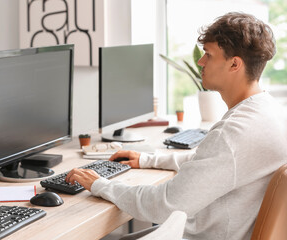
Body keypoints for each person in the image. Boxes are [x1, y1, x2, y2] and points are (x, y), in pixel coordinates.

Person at [66, 12, 287, 240]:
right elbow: (212, 161)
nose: (201, 62)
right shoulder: (269, 111)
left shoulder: (235, 132)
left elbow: (165, 205)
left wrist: (100, 185)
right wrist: (148, 160)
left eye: (208, 55)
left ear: (234, 64)